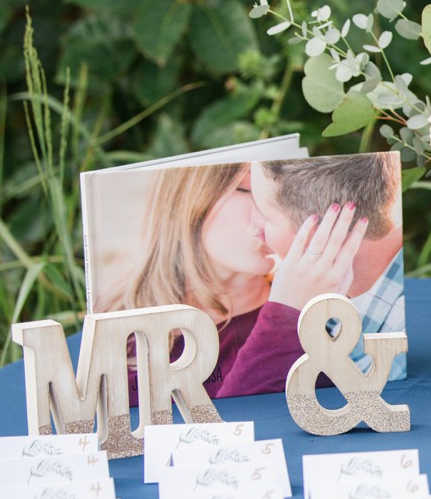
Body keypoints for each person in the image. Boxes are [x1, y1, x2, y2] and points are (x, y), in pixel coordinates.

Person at [99, 162, 365, 398]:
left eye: (283, 197)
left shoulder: (307, 316)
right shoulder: (118, 315)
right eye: (247, 190)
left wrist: (287, 316)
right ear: (190, 197)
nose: (269, 212)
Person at [245, 152, 407, 384]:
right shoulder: (327, 289)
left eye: (265, 214)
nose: (255, 227)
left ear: (323, 231)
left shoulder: (399, 325)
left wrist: (283, 317)